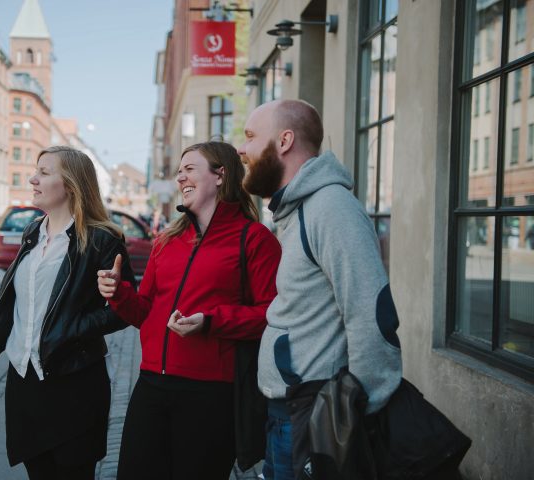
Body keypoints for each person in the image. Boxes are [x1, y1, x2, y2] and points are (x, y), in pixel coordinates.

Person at [237, 99, 403, 479]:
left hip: (316, 417)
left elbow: (370, 313)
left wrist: (354, 417)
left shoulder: (330, 208)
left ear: (284, 141)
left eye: (249, 137)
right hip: (288, 413)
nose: (242, 150)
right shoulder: (297, 210)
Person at [97, 141, 281, 479]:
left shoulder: (254, 239)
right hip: (152, 386)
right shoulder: (166, 241)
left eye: (190, 169)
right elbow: (144, 312)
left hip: (211, 394)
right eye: (179, 171)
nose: (181, 177)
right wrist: (118, 293)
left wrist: (211, 322)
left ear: (220, 175)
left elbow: (273, 314)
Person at [0, 145, 135, 480]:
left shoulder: (102, 240)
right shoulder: (32, 231)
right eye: (36, 171)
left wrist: (72, 328)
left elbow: (124, 311)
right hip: (24, 379)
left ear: (72, 184)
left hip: (73, 379)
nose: (33, 179)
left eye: (45, 173)